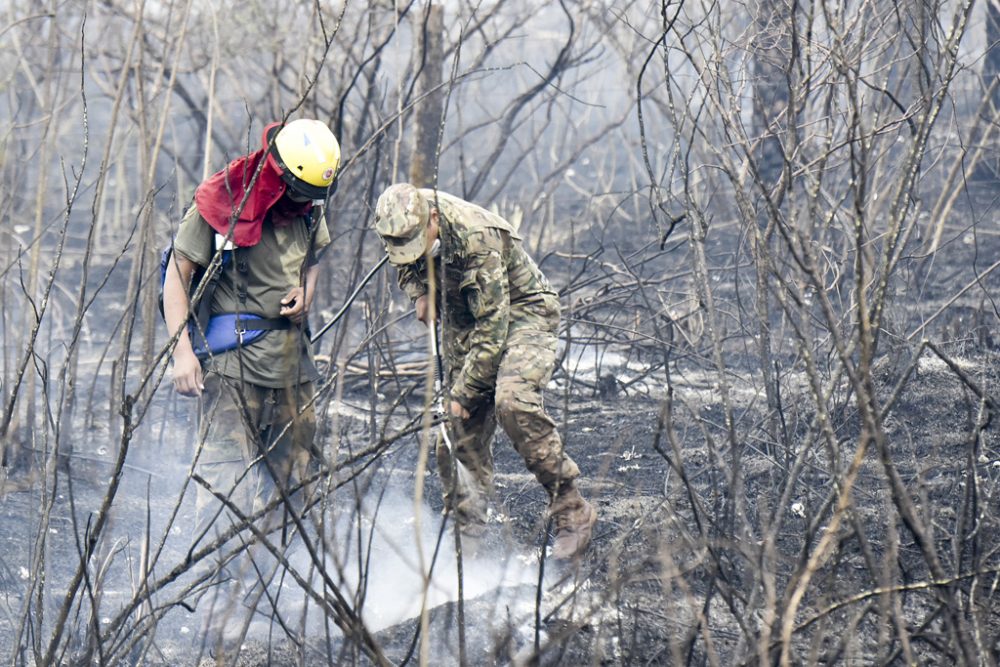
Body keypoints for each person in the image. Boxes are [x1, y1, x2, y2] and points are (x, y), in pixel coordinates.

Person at [373, 183, 597, 560]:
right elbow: (404, 263)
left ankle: (572, 510)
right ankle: (467, 542)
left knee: (512, 402)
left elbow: (493, 331)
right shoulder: (400, 218)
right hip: (465, 320)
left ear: (432, 220)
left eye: (417, 240)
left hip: (523, 315)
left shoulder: (477, 238)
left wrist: (464, 394)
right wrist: (421, 292)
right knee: (453, 432)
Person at [162, 118, 339, 542]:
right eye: (299, 192)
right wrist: (182, 352)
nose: (305, 202)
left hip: (293, 367)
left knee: (296, 489)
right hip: (233, 367)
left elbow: (313, 259)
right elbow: (177, 276)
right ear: (280, 172)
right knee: (224, 491)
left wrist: (305, 291)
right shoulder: (223, 199)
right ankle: (219, 590)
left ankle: (282, 590)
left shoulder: (309, 203)